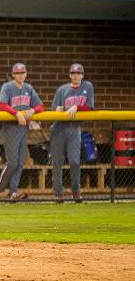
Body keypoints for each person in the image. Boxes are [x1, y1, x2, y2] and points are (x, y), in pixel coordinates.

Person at [0, 63, 44, 200]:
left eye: (22, 73)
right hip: (10, 127)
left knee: (20, 162)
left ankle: (13, 192)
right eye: (17, 73)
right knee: (12, 162)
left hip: (23, 128)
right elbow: (2, 104)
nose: (20, 75)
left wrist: (33, 110)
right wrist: (16, 113)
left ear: (26, 74)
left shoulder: (28, 88)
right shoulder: (7, 87)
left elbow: (40, 106)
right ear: (13, 75)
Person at [51, 63, 94, 203]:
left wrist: (76, 106)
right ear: (70, 75)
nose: (76, 76)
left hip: (74, 129)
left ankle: (76, 192)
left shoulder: (87, 87)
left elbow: (90, 107)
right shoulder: (62, 90)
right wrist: (58, 109)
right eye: (73, 73)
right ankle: (58, 194)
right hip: (59, 128)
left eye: (78, 73)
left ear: (82, 75)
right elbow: (54, 108)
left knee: (75, 162)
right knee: (57, 162)